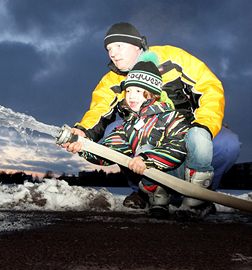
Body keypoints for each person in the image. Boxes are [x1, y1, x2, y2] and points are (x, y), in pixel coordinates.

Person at [64, 22, 240, 214]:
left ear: (138, 45)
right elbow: (98, 111)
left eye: (119, 46)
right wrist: (83, 136)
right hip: (144, 135)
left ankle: (202, 195)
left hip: (185, 129)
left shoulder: (172, 57)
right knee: (112, 130)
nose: (113, 53)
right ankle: (143, 191)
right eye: (109, 49)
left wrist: (203, 126)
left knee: (227, 143)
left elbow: (210, 88)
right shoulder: (111, 81)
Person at [78, 54, 189, 218]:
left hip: (178, 176)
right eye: (128, 90)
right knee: (132, 145)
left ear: (153, 94)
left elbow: (178, 147)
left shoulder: (172, 117)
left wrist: (146, 159)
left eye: (138, 90)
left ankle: (194, 201)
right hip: (152, 181)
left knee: (157, 147)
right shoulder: (129, 125)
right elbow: (109, 152)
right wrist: (83, 146)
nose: (131, 96)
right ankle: (157, 199)